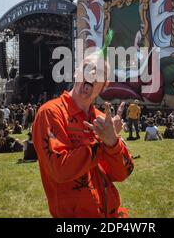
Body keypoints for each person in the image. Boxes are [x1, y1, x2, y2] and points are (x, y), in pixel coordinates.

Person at [33, 52, 134, 218]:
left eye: (100, 72)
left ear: (104, 85)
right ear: (76, 72)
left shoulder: (103, 121)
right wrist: (103, 142)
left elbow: (121, 173)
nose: (93, 73)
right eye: (88, 67)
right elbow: (60, 170)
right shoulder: (51, 113)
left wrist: (113, 143)